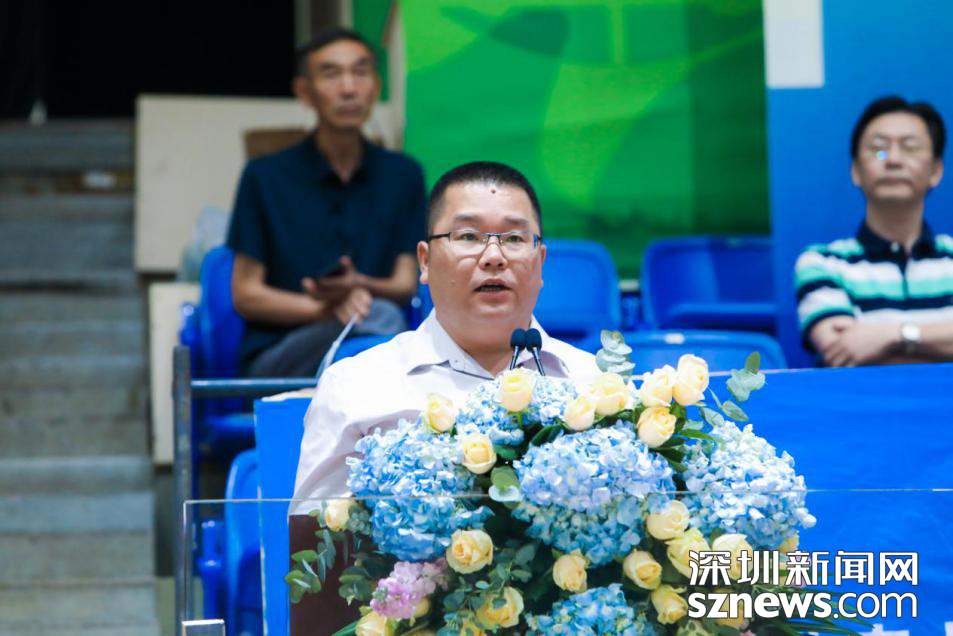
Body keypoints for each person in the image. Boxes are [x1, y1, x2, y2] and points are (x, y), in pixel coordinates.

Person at [291, 161, 600, 513]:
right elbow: (313, 537)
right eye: (468, 236)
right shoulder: (354, 387)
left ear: (540, 261)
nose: (494, 257)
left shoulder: (593, 385)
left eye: (514, 238)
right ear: (425, 261)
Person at [226, 27, 426, 377]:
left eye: (360, 72)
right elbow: (246, 293)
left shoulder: (403, 175)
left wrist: (356, 284)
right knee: (384, 319)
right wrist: (327, 310)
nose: (349, 88)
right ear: (304, 92)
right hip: (282, 352)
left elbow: (404, 282)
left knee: (385, 324)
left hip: (370, 338)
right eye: (331, 74)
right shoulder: (264, 176)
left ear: (376, 86)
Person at [795, 95, 953, 367]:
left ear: (936, 171)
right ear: (856, 170)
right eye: (878, 149)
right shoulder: (822, 263)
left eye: (910, 148)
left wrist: (892, 335)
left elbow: (865, 350)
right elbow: (842, 353)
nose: (893, 159)